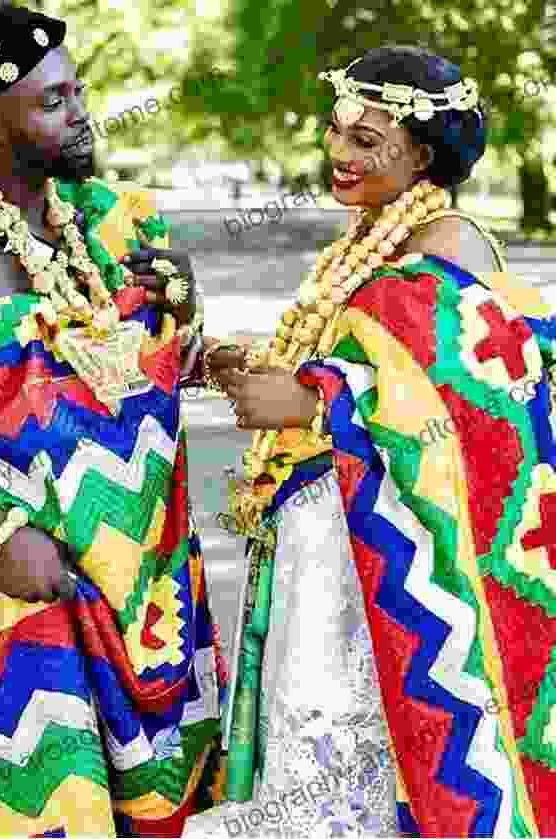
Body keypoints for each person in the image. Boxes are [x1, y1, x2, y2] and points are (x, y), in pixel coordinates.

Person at [184, 45, 556, 837]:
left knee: (381, 743)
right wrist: (264, 375)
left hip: (395, 550)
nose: (338, 153)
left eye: (365, 138)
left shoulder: (446, 246)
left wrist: (320, 399)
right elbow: (347, 368)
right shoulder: (377, 238)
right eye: (335, 131)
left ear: (421, 154)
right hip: (333, 534)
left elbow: (483, 412)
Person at [0, 3, 226, 836]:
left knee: (155, 808)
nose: (79, 114)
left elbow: (166, 326)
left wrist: (182, 315)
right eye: (52, 101)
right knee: (39, 804)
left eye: (77, 91)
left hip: (144, 590)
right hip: (19, 586)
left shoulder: (110, 219)